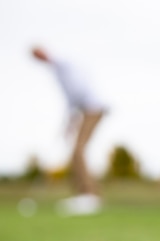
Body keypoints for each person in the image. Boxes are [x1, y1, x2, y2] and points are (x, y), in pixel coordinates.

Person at [31, 46, 107, 216]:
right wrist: (69, 122)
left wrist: (71, 118)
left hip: (92, 108)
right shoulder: (56, 70)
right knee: (75, 152)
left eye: (39, 54)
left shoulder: (63, 65)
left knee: (78, 150)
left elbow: (77, 92)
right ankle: (85, 195)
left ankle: (90, 197)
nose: (40, 58)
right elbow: (71, 97)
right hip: (86, 109)